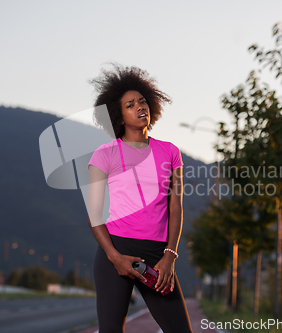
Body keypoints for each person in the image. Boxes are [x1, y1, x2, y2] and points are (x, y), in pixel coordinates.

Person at [87, 64, 193, 333]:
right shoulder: (104, 154)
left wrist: (169, 255)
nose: (140, 107)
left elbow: (176, 206)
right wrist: (114, 256)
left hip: (158, 254)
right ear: (119, 116)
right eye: (130, 105)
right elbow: (94, 215)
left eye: (143, 102)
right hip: (117, 249)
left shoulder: (170, 152)